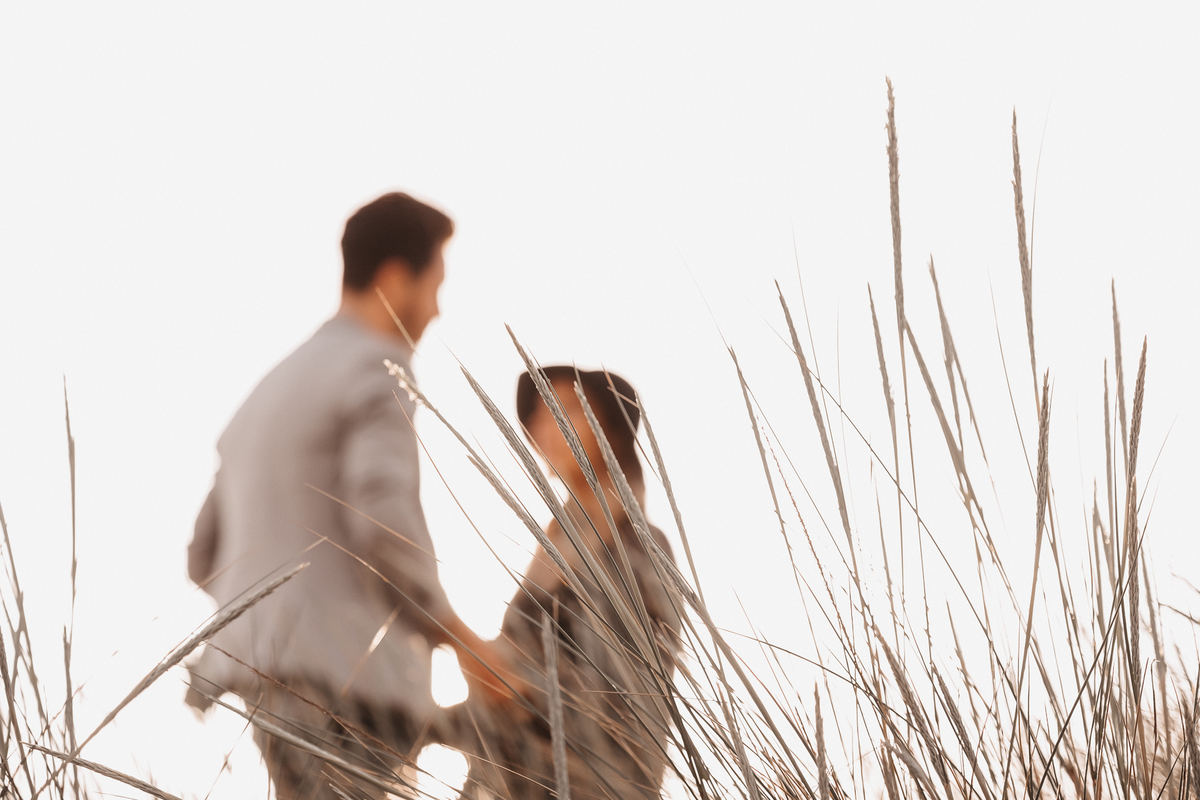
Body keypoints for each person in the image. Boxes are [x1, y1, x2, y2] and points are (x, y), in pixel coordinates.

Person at [186, 192, 510, 800]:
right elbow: (384, 525)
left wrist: (274, 618)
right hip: (344, 691)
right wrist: (464, 642)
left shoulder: (270, 387)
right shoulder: (377, 367)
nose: (437, 309)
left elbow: (202, 555)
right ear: (396, 277)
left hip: (264, 682)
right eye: (435, 286)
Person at [444, 367, 683, 800]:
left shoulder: (638, 547)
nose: (544, 425)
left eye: (567, 409)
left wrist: (509, 681)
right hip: (515, 783)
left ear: (610, 431)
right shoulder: (553, 548)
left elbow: (624, 696)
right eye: (538, 415)